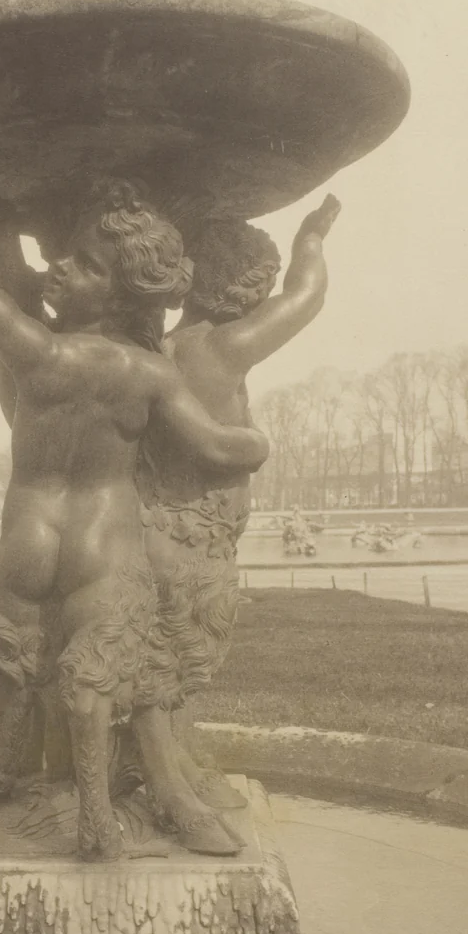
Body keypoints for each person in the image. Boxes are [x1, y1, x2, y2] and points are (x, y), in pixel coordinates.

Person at [0, 175, 270, 860]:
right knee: (95, 684)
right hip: (103, 547)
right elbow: (216, 445)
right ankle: (96, 825)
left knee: (16, 664)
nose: (60, 267)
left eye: (82, 264)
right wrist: (256, 441)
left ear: (114, 290)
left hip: (27, 538)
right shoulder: (150, 372)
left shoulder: (36, 350)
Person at [137, 197, 340, 806]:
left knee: (164, 648)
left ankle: (166, 762)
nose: (266, 297)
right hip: (198, 536)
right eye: (262, 284)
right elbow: (307, 299)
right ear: (245, 289)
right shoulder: (223, 347)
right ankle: (167, 776)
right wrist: (311, 239)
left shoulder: (161, 349)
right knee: (187, 654)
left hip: (157, 524)